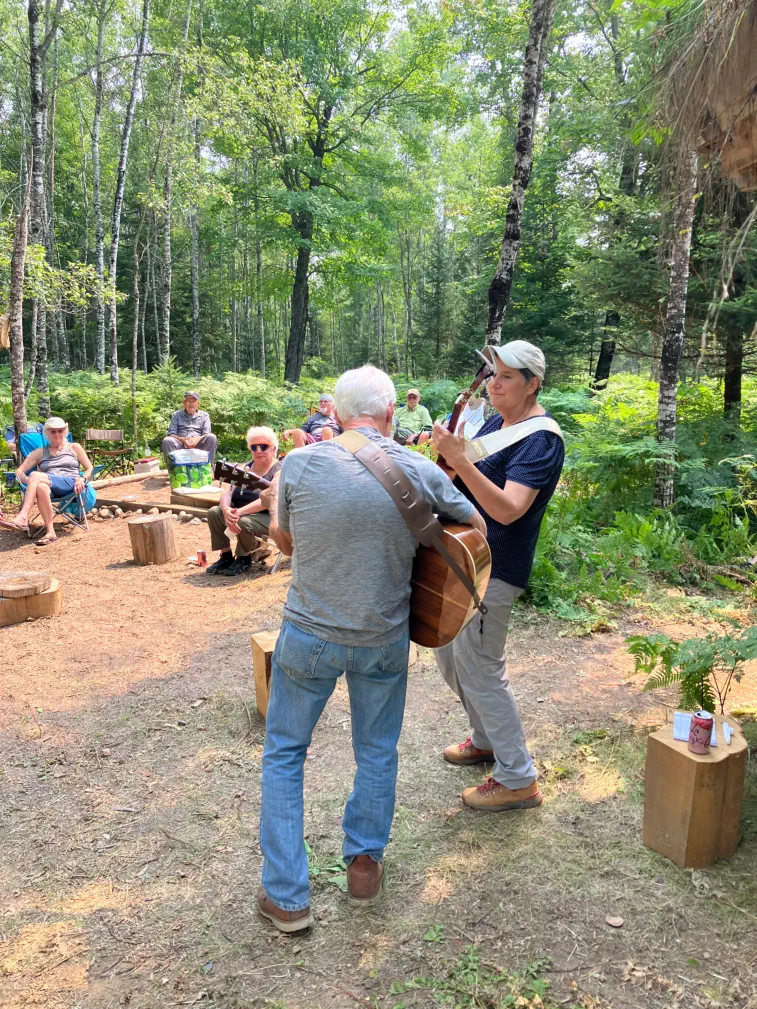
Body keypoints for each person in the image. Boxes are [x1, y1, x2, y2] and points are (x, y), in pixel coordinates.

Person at [256, 365, 485, 932]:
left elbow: (284, 541)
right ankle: (363, 866)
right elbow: (474, 528)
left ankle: (287, 897)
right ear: (388, 415)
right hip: (384, 639)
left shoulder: (301, 463)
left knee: (285, 754)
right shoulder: (414, 468)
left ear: (335, 414)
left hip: (309, 635)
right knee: (377, 751)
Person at [432, 340, 565, 814]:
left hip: (496, 570)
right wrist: (445, 460)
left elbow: (509, 510)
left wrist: (461, 460)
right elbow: (462, 480)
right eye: (493, 374)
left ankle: (518, 777)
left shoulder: (541, 439)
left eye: (507, 376)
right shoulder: (496, 423)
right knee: (449, 657)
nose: (494, 383)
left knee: (482, 668)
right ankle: (487, 739)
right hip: (461, 556)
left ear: (533, 384)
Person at [2, 417, 94, 546]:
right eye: (53, 431)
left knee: (35, 475)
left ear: (65, 431)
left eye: (60, 430)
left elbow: (89, 468)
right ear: (47, 433)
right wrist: (28, 480)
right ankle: (51, 532)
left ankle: (23, 516)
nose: (57, 434)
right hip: (49, 486)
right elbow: (19, 471)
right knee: (40, 487)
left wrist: (82, 478)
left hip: (70, 483)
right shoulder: (40, 452)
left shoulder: (74, 447)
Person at [206, 427, 281, 577]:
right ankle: (226, 557)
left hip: (269, 517)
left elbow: (268, 500)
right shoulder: (245, 467)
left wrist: (239, 512)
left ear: (273, 448)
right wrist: (227, 510)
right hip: (239, 513)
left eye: (263, 446)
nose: (258, 450)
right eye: (254, 447)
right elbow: (227, 492)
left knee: (244, 522)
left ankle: (244, 558)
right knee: (214, 512)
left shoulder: (279, 470)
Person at [161, 392, 217, 464]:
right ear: (184, 403)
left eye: (193, 401)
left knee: (212, 437)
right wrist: (183, 440)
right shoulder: (176, 415)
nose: (191, 404)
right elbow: (171, 433)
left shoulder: (204, 415)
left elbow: (207, 433)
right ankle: (173, 471)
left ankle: (208, 467)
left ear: (198, 404)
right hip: (181, 443)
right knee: (167, 440)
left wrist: (196, 439)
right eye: (188, 401)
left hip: (198, 443)